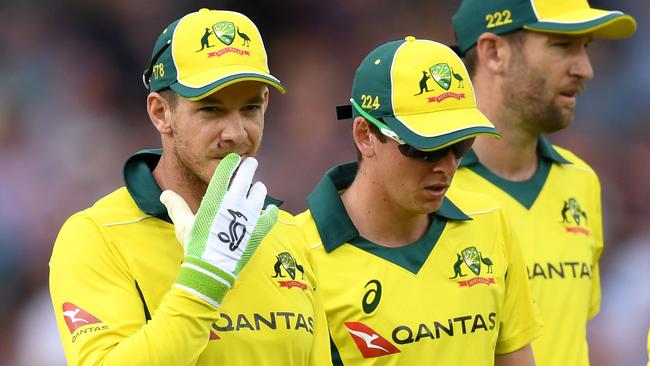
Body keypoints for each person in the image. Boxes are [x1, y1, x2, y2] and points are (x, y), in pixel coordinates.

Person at [49, 8, 329, 365]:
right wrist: (202, 284)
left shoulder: (291, 234)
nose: (236, 133)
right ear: (160, 113)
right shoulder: (97, 237)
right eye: (211, 110)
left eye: (250, 108)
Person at [297, 36, 542, 365]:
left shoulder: (490, 223)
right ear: (365, 135)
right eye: (424, 148)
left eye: (461, 144)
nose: (448, 166)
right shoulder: (297, 255)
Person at [449, 1, 637, 365]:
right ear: (493, 53)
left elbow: (570, 337)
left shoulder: (582, 183)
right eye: (562, 45)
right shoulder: (429, 194)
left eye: (586, 48)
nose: (586, 69)